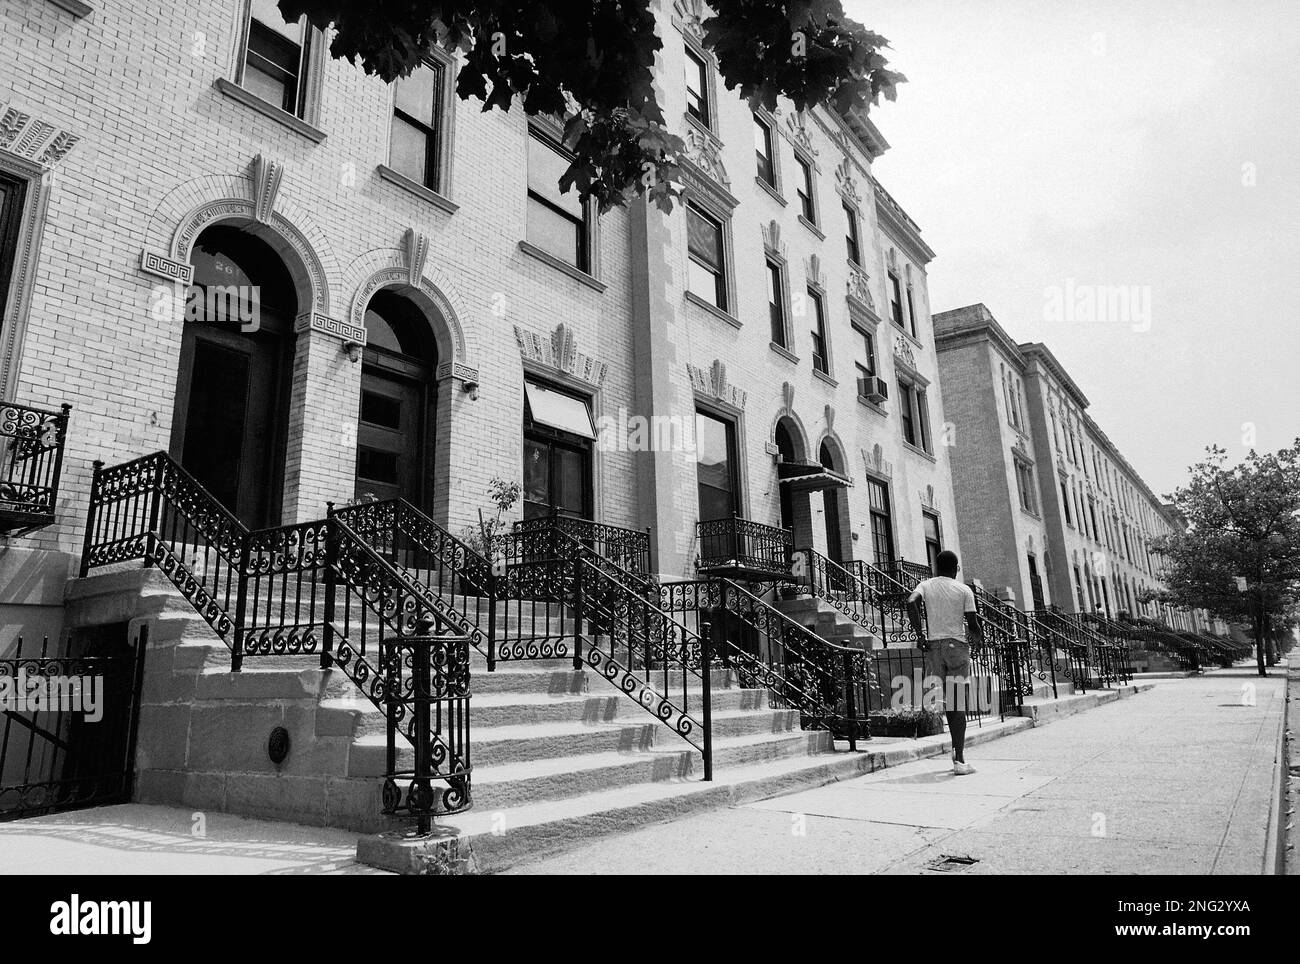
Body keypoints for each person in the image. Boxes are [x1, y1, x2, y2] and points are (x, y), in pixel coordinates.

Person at [905, 549, 983, 775]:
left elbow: (911, 602)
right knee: (957, 702)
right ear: (956, 569)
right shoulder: (963, 589)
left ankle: (955, 752)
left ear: (935, 567)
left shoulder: (926, 585)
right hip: (956, 647)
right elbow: (973, 623)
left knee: (950, 701)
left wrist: (920, 635)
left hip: (934, 648)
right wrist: (977, 641)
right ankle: (959, 759)